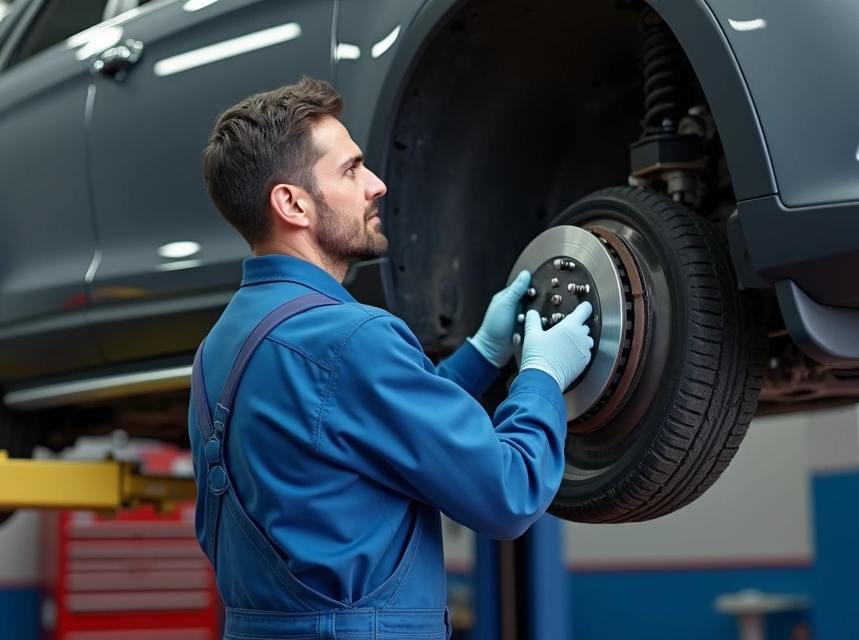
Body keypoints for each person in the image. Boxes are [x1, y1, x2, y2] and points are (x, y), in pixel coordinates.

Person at [189, 76, 595, 640]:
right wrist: (543, 375)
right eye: (351, 170)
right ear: (292, 203)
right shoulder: (351, 338)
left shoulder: (220, 349)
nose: (376, 184)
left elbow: (358, 425)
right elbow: (509, 493)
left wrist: (481, 353)